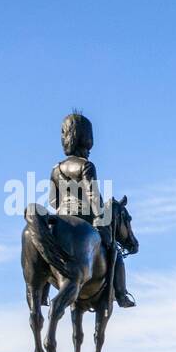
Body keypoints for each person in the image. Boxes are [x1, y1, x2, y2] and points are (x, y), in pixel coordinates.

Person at [48, 112, 135, 307]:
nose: (89, 151)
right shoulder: (86, 165)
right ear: (83, 142)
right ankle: (121, 295)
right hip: (85, 219)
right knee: (116, 253)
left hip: (60, 218)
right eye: (88, 147)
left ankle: (45, 288)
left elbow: (53, 201)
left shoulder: (56, 169)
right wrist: (101, 219)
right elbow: (93, 195)